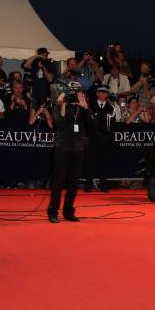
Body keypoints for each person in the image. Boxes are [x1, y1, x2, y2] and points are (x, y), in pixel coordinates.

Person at [47, 91, 93, 223]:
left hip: (78, 148)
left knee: (73, 183)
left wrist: (86, 107)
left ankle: (68, 211)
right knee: (58, 182)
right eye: (72, 94)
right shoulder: (61, 105)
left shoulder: (82, 108)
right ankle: (53, 212)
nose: (75, 97)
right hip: (63, 148)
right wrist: (61, 104)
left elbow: (94, 124)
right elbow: (59, 124)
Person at [85, 86, 117, 192]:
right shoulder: (91, 106)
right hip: (93, 136)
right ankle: (88, 184)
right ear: (97, 94)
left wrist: (109, 136)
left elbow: (113, 125)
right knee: (90, 160)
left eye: (105, 93)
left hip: (105, 137)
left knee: (104, 161)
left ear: (107, 95)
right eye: (101, 92)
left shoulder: (111, 108)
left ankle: (103, 184)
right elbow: (87, 122)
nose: (103, 94)